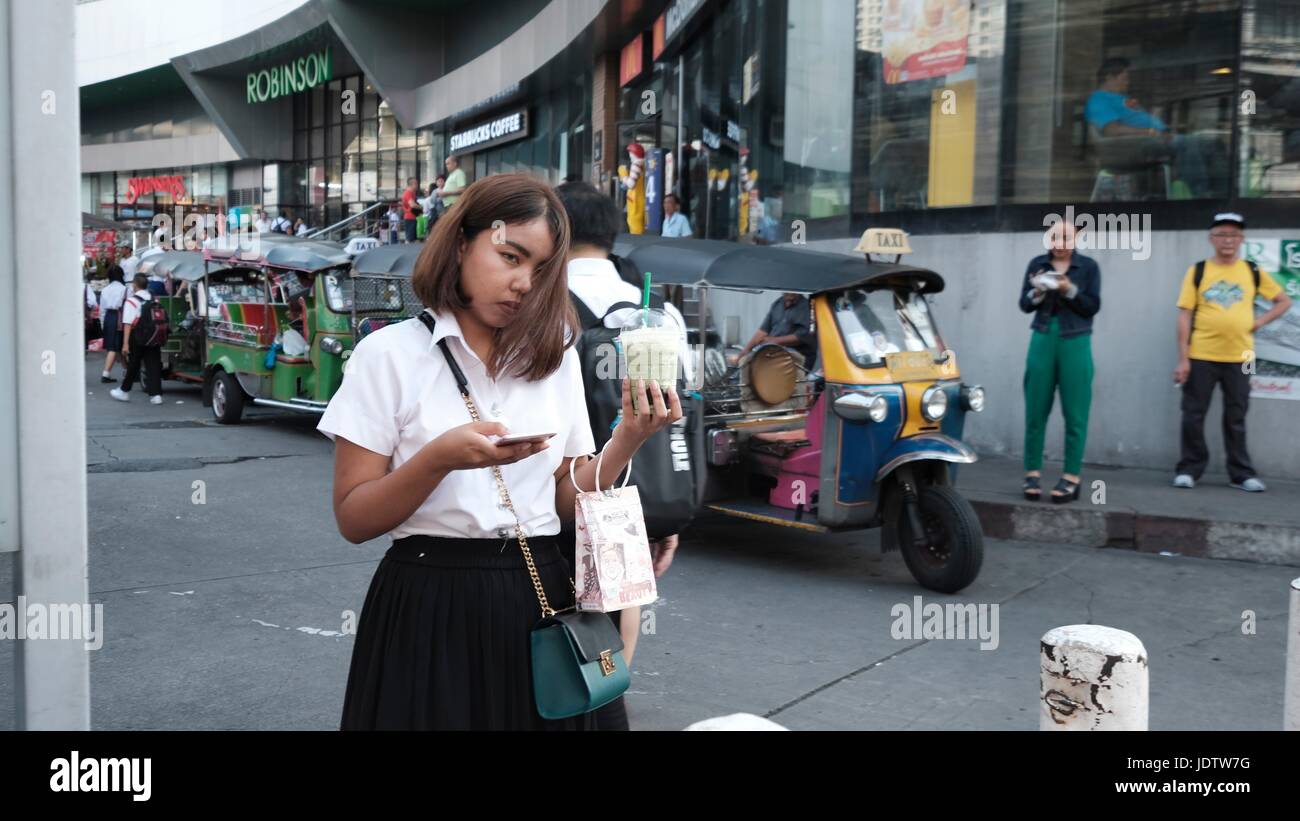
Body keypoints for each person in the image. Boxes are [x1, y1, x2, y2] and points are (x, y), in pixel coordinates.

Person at [318, 173, 681, 731]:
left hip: (539, 590)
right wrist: (439, 458)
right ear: (461, 242)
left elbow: (564, 497)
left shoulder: (555, 355)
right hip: (428, 602)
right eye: (510, 256)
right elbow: (354, 516)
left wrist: (627, 438)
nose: (523, 284)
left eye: (541, 271)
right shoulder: (387, 356)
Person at [555, 181, 692, 730]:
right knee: (620, 594)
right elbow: (677, 408)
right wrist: (661, 513)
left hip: (561, 479)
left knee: (560, 603)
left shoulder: (543, 304)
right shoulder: (660, 313)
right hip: (634, 485)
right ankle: (607, 699)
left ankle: (570, 704)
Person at [1173, 213, 1292, 492]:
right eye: (1222, 234)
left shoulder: (1252, 271)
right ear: (1211, 238)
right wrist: (1183, 358)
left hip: (1244, 357)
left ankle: (1240, 474)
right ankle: (1189, 469)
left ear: (1242, 240)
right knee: (1193, 413)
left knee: (1237, 414)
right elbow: (1184, 316)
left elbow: (1283, 301)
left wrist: (1258, 322)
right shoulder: (1198, 270)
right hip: (1201, 354)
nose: (1228, 240)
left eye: (1234, 235)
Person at [1018, 220, 1101, 504]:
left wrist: (1068, 289)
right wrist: (1038, 291)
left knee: (1075, 412)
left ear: (1076, 238)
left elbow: (1093, 306)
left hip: (1075, 340)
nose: (1060, 242)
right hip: (1042, 336)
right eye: (1055, 236)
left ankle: (1071, 476)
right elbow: (1024, 304)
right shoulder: (1037, 264)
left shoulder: (1088, 267)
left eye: (1066, 236)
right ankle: (1032, 472)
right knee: (1035, 407)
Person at [1084, 57, 1226, 198]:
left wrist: (1160, 128)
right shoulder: (1099, 100)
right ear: (1109, 77)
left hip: (1153, 138)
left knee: (1213, 143)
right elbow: (1112, 131)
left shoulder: (1121, 98)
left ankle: (1221, 194)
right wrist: (1149, 132)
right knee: (1188, 144)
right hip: (1133, 146)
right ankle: (1201, 195)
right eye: (1124, 77)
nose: (1128, 81)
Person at [110, 274, 164, 405]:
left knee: (134, 364)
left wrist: (125, 344)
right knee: (154, 364)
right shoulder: (154, 299)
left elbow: (127, 323)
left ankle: (124, 391)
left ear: (135, 285)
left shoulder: (131, 301)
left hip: (138, 336)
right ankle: (156, 395)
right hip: (153, 335)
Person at [735, 292, 816, 369]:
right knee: (745, 363)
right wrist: (746, 350)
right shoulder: (777, 304)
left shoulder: (807, 307)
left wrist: (774, 341)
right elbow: (762, 331)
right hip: (774, 351)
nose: (789, 292)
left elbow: (805, 336)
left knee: (765, 365)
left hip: (796, 355)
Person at [98, 264, 128, 383]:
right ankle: (106, 374)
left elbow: (102, 309)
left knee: (116, 346)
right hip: (120, 317)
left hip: (108, 317)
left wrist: (102, 323)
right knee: (114, 347)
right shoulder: (125, 289)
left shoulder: (105, 290)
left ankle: (128, 370)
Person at [400, 177, 422, 243]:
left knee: (414, 238)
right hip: (410, 217)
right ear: (412, 184)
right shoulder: (408, 193)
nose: (417, 185)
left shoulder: (412, 193)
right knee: (410, 238)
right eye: (416, 183)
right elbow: (412, 205)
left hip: (413, 217)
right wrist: (421, 207)